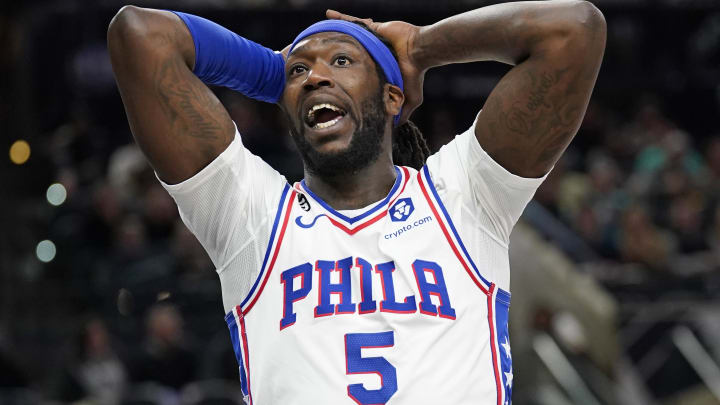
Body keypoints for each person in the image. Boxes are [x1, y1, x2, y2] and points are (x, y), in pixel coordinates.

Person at [107, 2, 606, 404]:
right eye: (301, 71)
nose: (315, 77)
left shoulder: (465, 196)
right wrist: (272, 74)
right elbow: (140, 34)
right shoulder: (249, 218)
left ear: (393, 98)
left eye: (341, 62)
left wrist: (419, 45)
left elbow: (573, 30)